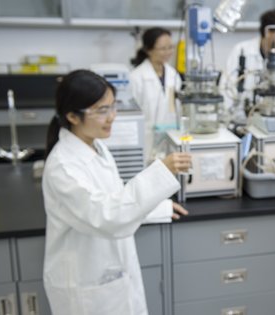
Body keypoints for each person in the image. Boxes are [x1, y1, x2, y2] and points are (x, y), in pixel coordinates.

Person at [42, 70, 191, 315]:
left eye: (113, 107)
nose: (112, 117)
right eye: (101, 111)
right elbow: (107, 216)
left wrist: (157, 207)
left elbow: (114, 196)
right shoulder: (63, 167)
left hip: (111, 281)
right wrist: (160, 173)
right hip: (86, 288)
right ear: (72, 116)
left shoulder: (96, 147)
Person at [221, 9, 275, 118]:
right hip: (240, 118)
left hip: (271, 116)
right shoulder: (241, 51)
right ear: (267, 32)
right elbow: (226, 88)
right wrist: (230, 120)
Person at [130, 27, 182, 164]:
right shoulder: (137, 77)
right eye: (163, 48)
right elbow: (133, 116)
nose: (168, 52)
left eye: (171, 47)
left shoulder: (173, 75)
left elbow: (174, 108)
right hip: (147, 139)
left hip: (171, 137)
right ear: (148, 50)